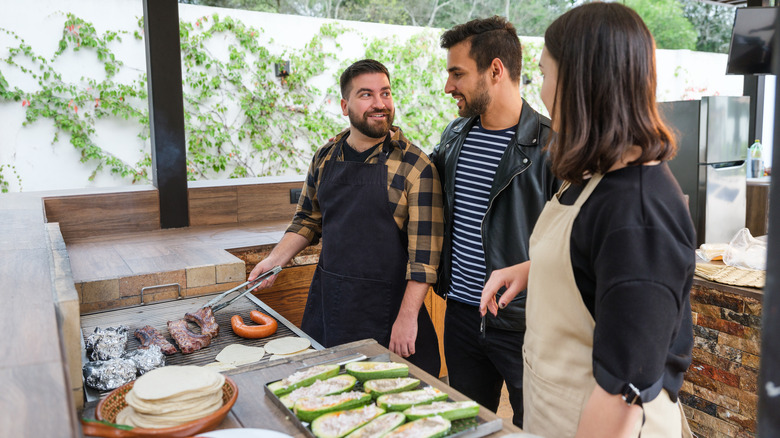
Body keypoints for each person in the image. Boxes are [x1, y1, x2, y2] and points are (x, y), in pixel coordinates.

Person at [480, 3, 695, 437]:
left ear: (579, 83)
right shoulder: (595, 174)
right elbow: (590, 264)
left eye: (544, 74)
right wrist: (533, 270)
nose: (539, 91)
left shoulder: (638, 212)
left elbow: (622, 392)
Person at [249, 59, 442, 376]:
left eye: (386, 93)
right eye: (366, 94)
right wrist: (274, 260)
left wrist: (407, 318)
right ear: (345, 105)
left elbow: (424, 258)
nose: (379, 104)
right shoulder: (325, 157)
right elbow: (307, 220)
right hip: (330, 308)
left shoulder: (415, 166)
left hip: (388, 314)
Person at [429, 16, 559, 427]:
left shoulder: (553, 147)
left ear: (496, 70)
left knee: (536, 428)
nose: (449, 86)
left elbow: (575, 245)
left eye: (457, 73)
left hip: (526, 323)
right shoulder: (453, 136)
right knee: (467, 426)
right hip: (462, 317)